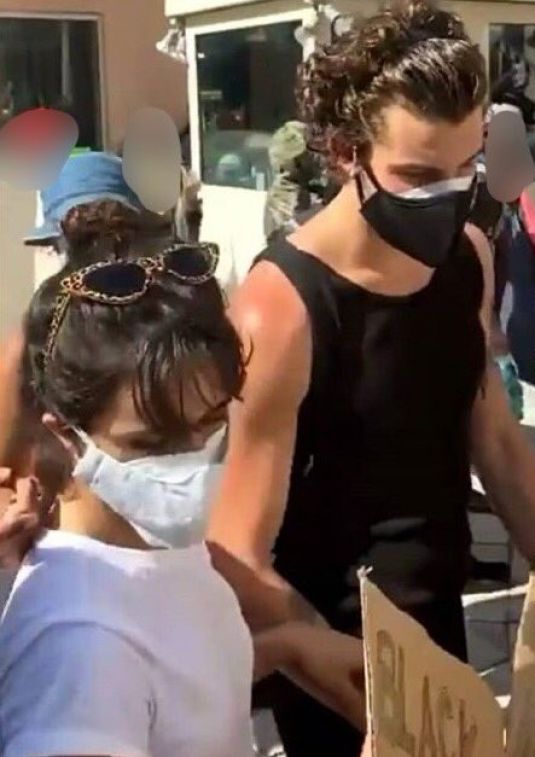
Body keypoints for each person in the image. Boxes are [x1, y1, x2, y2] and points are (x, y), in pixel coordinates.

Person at [205, 2, 535, 755]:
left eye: (466, 169)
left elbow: (494, 441)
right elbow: (237, 551)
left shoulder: (468, 257)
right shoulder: (280, 307)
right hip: (339, 658)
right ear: (345, 152)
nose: (447, 197)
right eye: (418, 178)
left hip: (440, 625)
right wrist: (366, 681)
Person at [0, 245, 255, 756]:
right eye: (151, 443)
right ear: (67, 437)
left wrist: (293, 648)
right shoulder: (78, 643)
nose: (191, 460)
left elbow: (168, 690)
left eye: (211, 423)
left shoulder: (149, 548)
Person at [0, 152, 176, 483]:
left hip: (69, 500)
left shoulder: (37, 327)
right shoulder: (176, 312)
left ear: (59, 242)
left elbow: (5, 464)